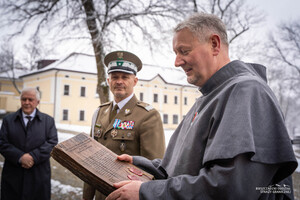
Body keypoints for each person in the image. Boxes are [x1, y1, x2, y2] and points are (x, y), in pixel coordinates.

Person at [106, 13, 298, 200]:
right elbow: (180, 168)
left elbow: (232, 188)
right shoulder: (208, 98)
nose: (177, 62)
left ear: (214, 44)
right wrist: (139, 163)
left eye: (184, 51)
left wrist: (146, 193)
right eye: (176, 53)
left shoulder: (247, 91)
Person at [82, 51, 165, 200]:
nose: (119, 81)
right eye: (115, 77)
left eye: (125, 77)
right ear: (108, 81)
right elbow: (90, 161)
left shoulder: (148, 116)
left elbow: (154, 170)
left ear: (135, 81)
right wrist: (87, 197)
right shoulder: (100, 112)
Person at [0, 87, 58, 200]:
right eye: (24, 99)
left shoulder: (48, 121)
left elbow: (52, 143)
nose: (27, 102)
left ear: (38, 102)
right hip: (13, 175)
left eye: (30, 99)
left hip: (38, 175)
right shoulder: (8, 120)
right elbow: (2, 142)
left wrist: (33, 156)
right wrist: (20, 157)